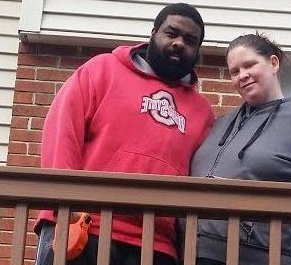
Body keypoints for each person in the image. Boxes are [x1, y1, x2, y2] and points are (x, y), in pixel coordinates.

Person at [34, 3, 214, 265]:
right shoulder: (103, 69)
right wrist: (65, 204)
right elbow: (63, 133)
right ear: (153, 33)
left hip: (156, 244)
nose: (179, 43)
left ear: (197, 50)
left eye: (190, 40)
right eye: (171, 33)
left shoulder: (202, 112)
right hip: (84, 224)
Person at [190, 33, 291, 265]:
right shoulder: (222, 124)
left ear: (273, 63)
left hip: (267, 256)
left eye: (249, 65)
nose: (242, 75)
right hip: (197, 252)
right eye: (235, 71)